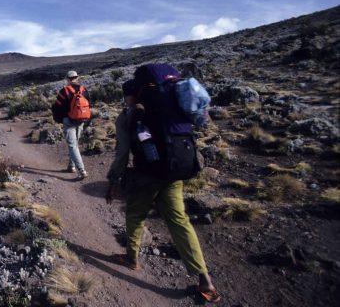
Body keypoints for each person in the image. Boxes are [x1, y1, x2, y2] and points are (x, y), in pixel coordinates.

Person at [105, 79, 222, 303]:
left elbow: (122, 153)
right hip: (173, 173)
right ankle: (205, 279)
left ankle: (132, 258)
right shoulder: (170, 107)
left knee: (135, 215)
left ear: (130, 96)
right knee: (180, 221)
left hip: (147, 174)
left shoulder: (130, 115)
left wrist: (113, 181)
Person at [51, 70, 90, 180]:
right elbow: (89, 104)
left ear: (67, 79)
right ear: (77, 78)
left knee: (73, 145)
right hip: (82, 119)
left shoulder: (64, 91)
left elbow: (57, 107)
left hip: (69, 120)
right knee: (75, 144)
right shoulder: (84, 89)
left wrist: (59, 119)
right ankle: (71, 166)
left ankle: (81, 170)